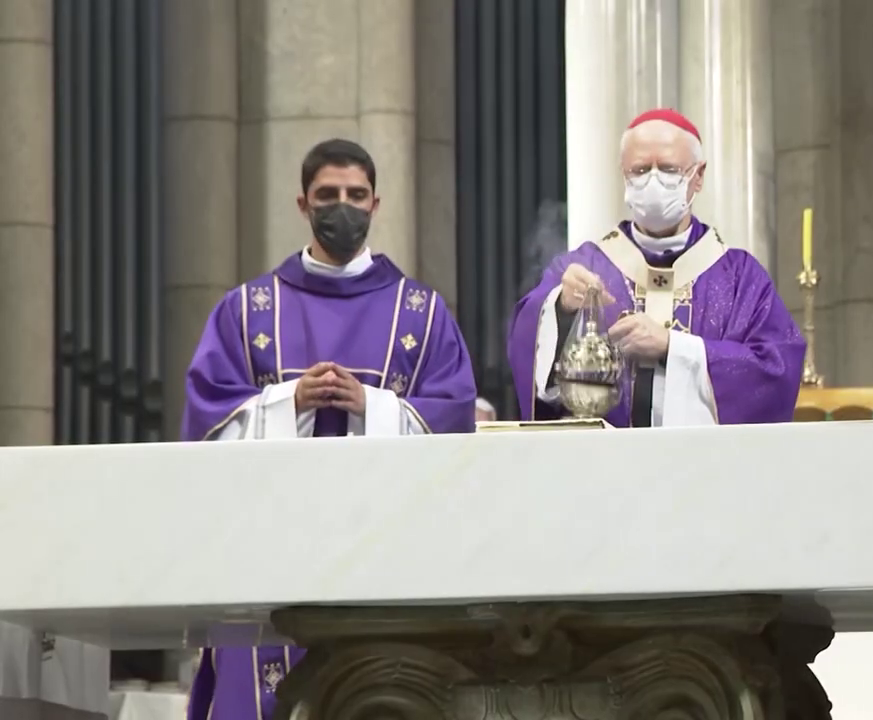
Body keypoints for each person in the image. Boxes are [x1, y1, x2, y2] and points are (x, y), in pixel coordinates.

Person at [182, 138, 477, 720]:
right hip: (269, 552)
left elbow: (456, 421)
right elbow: (203, 421)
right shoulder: (247, 310)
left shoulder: (420, 312)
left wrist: (370, 405)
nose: (342, 208)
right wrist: (290, 399)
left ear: (376, 203)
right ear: (302, 204)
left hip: (386, 553)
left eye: (355, 195)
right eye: (327, 196)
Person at [508, 108, 805, 427]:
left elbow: (776, 371)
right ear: (624, 176)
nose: (652, 181)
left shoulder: (739, 279)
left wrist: (673, 348)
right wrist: (561, 308)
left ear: (698, 176)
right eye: (639, 170)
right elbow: (525, 340)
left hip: (703, 468)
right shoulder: (585, 265)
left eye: (668, 169)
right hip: (605, 468)